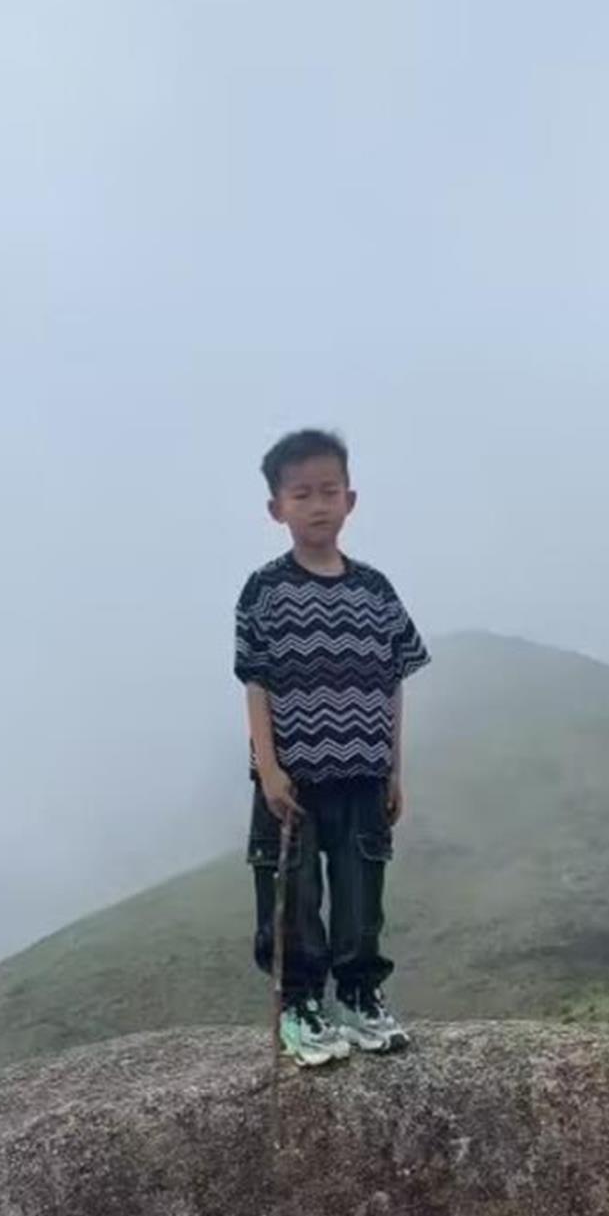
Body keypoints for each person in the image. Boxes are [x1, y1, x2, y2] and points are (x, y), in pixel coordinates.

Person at [234, 428, 430, 1067]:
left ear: (351, 498)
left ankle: (359, 996)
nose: (318, 505)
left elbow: (393, 682)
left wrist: (394, 771)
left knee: (359, 895)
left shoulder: (376, 591)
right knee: (291, 896)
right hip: (292, 778)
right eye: (302, 494)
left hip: (364, 772)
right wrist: (268, 770)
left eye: (329, 491)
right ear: (277, 509)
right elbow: (255, 682)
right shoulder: (264, 591)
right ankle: (299, 1007)